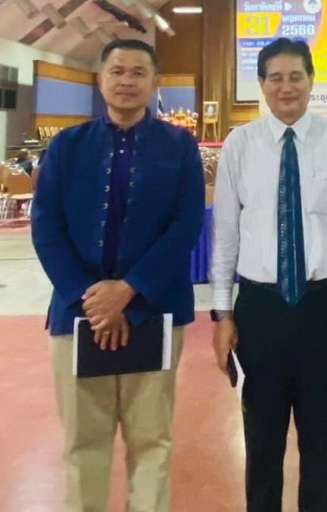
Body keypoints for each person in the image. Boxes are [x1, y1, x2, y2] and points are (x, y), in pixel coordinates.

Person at [31, 39, 205, 512]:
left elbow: (186, 225)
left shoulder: (179, 147)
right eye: (117, 71)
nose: (127, 81)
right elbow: (46, 225)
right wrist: (89, 297)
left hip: (155, 310)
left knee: (152, 441)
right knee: (82, 443)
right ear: (100, 79)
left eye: (138, 73)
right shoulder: (67, 146)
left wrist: (129, 290)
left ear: (154, 83)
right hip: (78, 314)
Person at [209, 38, 327, 512]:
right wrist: (222, 314)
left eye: (296, 77)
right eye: (275, 78)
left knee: (320, 442)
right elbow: (225, 234)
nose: (286, 87)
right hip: (259, 310)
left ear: (311, 81)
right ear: (261, 84)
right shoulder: (240, 145)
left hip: (324, 307)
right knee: (262, 442)